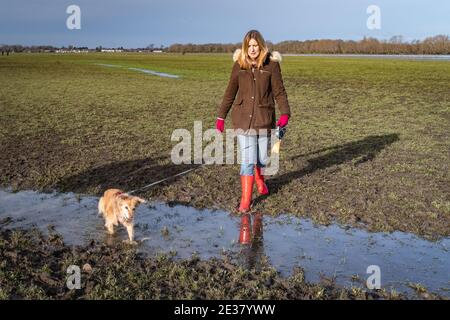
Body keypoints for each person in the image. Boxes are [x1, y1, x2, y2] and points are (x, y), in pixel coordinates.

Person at [216, 30, 291, 213]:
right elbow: (229, 93)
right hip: (243, 120)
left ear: (261, 46)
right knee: (247, 161)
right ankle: (245, 201)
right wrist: (220, 117)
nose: (252, 49)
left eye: (255, 45)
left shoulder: (271, 66)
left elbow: (279, 92)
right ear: (245, 47)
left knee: (262, 158)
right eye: (249, 46)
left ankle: (259, 178)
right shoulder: (239, 66)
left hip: (264, 119)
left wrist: (285, 113)